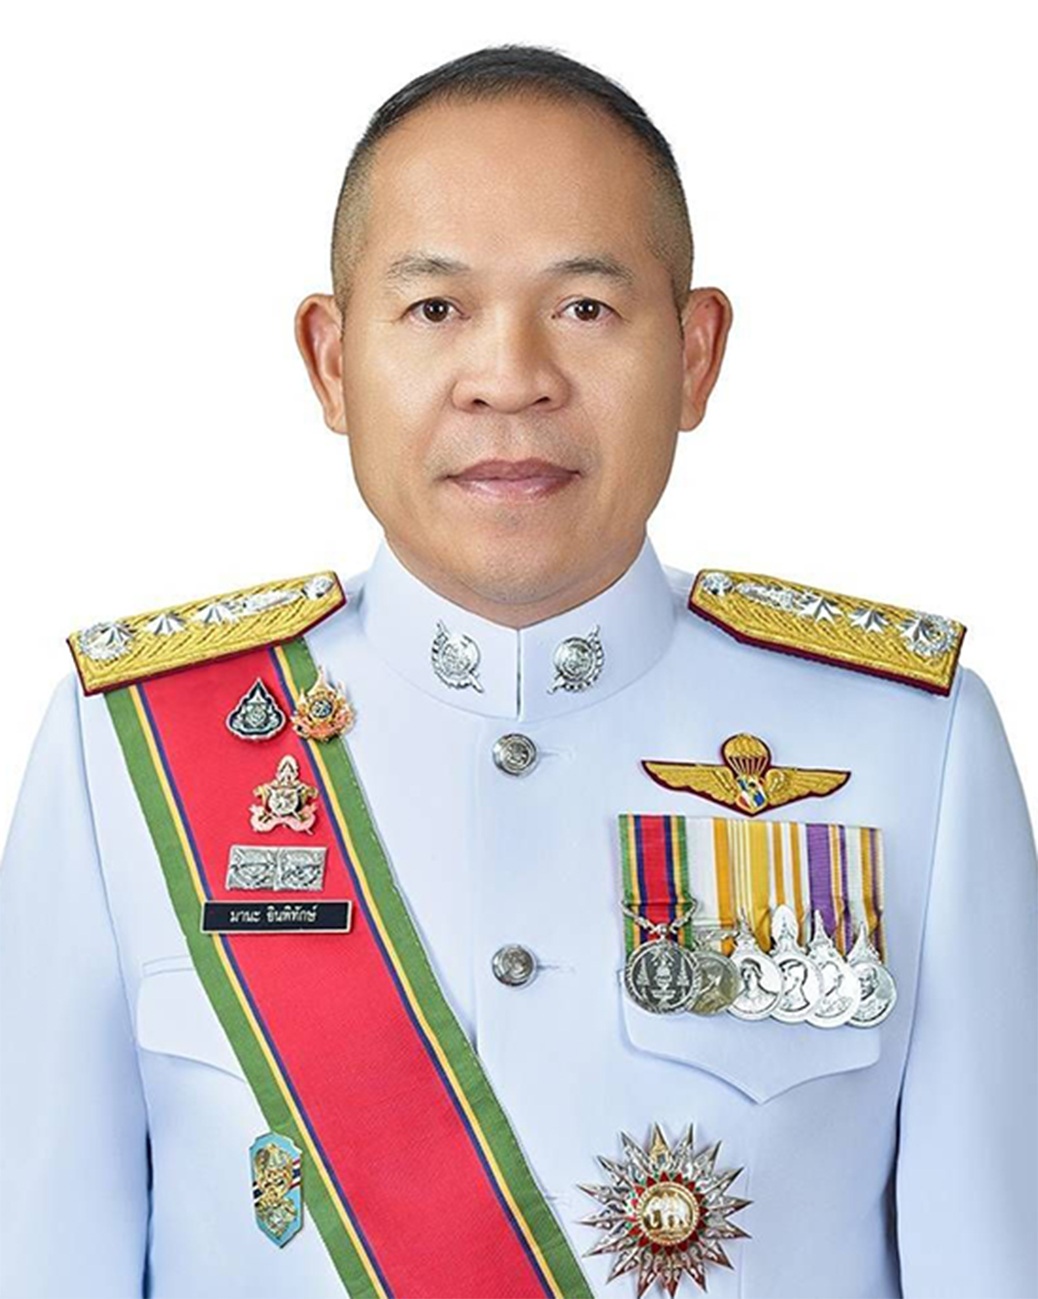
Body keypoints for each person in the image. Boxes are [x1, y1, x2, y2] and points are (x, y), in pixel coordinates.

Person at [1, 41, 1035, 1299]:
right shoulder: (131, 755)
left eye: (585, 308)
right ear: (331, 361)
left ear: (695, 354)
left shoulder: (912, 747)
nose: (511, 381)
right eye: (436, 309)